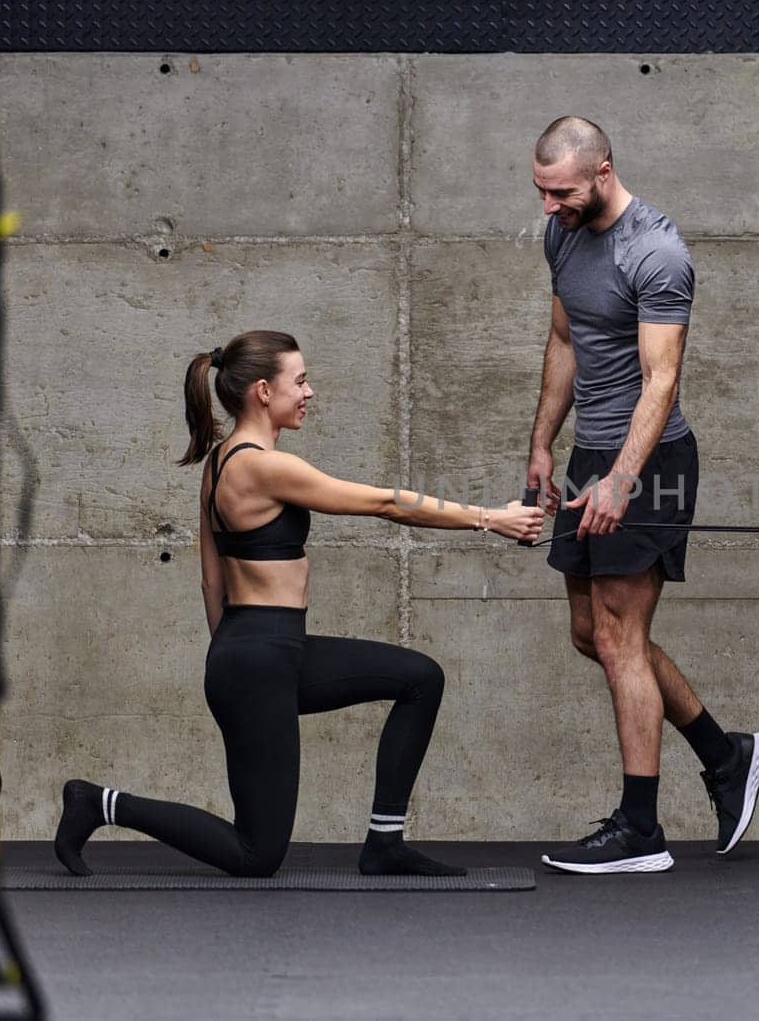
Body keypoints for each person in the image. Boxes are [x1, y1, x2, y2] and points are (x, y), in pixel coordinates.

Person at [54, 330, 543, 877]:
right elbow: (384, 503)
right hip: (260, 659)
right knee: (257, 854)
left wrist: (236, 660)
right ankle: (98, 803)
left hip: (261, 652)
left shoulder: (219, 464)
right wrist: (488, 518)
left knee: (419, 678)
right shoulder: (263, 466)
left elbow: (210, 583)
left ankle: (385, 842)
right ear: (264, 391)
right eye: (301, 381)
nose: (309, 393)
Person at [526, 117, 759, 874]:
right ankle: (724, 753)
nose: (549, 206)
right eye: (540, 191)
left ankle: (641, 829)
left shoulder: (657, 252)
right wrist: (542, 442)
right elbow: (566, 340)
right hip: (589, 451)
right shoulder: (561, 237)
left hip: (651, 456)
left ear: (603, 171)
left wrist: (624, 478)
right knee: (589, 632)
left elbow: (662, 380)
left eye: (561, 191)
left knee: (618, 637)